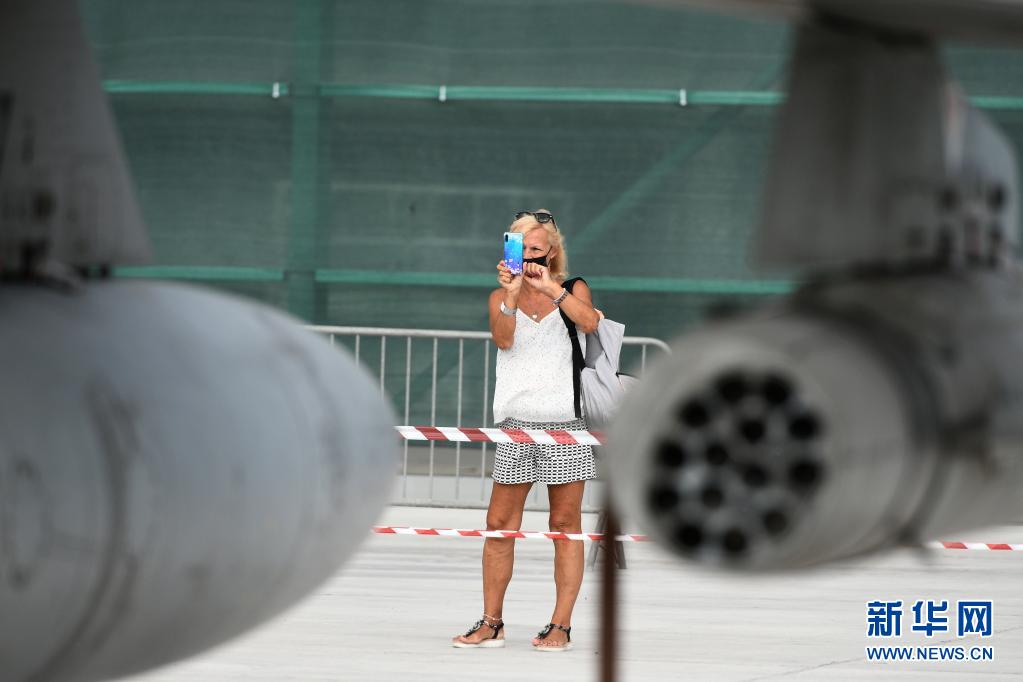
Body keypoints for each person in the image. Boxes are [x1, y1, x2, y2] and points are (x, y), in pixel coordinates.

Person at [451, 209, 601, 652]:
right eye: (521, 248)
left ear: (551, 253)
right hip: (516, 426)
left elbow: (590, 322)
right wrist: (513, 295)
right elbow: (503, 339)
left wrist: (551, 288)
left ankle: (561, 625)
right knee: (500, 524)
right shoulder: (501, 295)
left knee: (565, 524)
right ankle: (491, 622)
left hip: (566, 426)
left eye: (537, 248)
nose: (529, 256)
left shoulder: (572, 288)